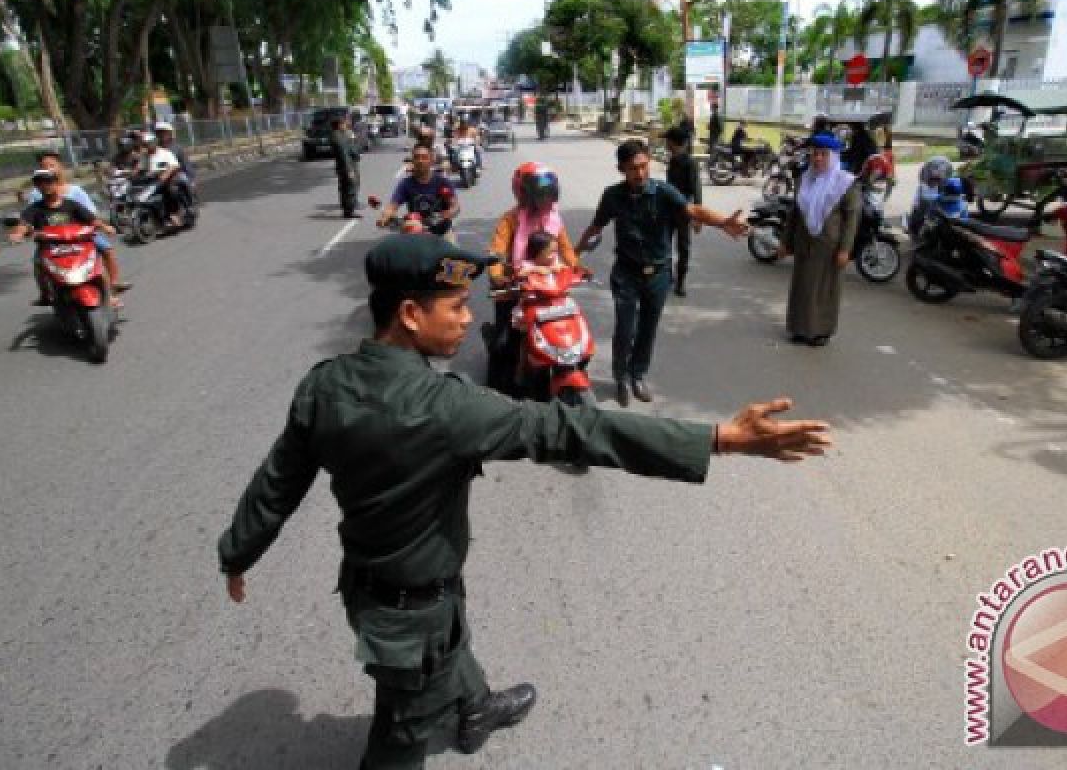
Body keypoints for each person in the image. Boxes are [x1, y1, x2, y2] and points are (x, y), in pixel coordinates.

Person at [215, 233, 833, 770]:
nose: (466, 319)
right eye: (455, 306)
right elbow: (577, 430)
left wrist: (237, 553)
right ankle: (438, 717)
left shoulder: (323, 385)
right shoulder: (447, 409)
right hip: (408, 612)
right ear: (408, 313)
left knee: (448, 641)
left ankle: (474, 706)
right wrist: (721, 438)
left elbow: (279, 479)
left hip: (380, 589)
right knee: (399, 735)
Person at [576, 139, 749, 407]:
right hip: (626, 273)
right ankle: (621, 377)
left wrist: (723, 222)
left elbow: (693, 210)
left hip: (658, 275)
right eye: (633, 168)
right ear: (622, 168)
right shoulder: (612, 196)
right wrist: (573, 256)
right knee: (625, 330)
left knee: (647, 329)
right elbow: (595, 228)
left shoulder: (664, 193)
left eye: (644, 166)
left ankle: (638, 375)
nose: (641, 173)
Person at [484, 162, 581, 394]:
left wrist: (578, 268)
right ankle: (496, 390)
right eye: (540, 194)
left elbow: (566, 249)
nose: (545, 200)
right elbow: (496, 252)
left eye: (549, 194)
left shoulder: (555, 219)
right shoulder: (510, 219)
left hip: (548, 286)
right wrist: (498, 275)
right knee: (505, 343)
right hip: (515, 287)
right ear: (523, 193)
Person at [779, 133, 861, 347]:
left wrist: (845, 249)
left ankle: (820, 331)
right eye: (814, 154)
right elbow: (794, 215)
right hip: (804, 242)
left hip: (829, 247)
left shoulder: (846, 183)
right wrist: (785, 242)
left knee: (825, 289)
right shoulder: (804, 180)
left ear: (833, 157)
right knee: (801, 287)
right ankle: (798, 327)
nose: (817, 159)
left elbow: (851, 219)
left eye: (823, 154)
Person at [8, 168, 126, 307]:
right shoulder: (34, 209)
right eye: (40, 182)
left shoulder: (71, 204)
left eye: (48, 181)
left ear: (56, 183)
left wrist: (105, 227)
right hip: (50, 248)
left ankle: (109, 296)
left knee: (97, 266)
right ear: (37, 186)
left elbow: (92, 220)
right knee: (38, 263)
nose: (45, 185)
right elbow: (24, 224)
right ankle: (45, 294)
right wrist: (18, 234)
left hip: (80, 244)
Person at [377, 143, 459, 239]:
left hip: (442, 232)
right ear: (413, 161)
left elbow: (455, 206)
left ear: (431, 161)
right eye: (417, 157)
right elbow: (393, 205)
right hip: (415, 232)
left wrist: (446, 214)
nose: (420, 161)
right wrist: (386, 215)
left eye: (424, 157)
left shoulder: (443, 181)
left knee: (452, 253)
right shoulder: (406, 183)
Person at [664, 126, 702, 297]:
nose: (665, 143)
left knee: (683, 248)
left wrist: (698, 216)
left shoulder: (690, 163)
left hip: (684, 210)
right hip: (668, 209)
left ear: (673, 142)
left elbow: (697, 190)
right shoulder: (672, 160)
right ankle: (668, 277)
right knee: (664, 245)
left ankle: (680, 282)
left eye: (667, 140)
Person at [136, 132, 187, 227]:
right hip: (152, 181)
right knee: (140, 193)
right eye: (145, 144)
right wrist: (134, 173)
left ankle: (174, 213)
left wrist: (165, 174)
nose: (147, 146)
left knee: (170, 190)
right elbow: (139, 168)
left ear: (154, 142)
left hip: (168, 179)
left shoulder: (165, 153)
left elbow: (175, 165)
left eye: (148, 143)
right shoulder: (145, 156)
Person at [154, 122, 196, 209]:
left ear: (169, 133)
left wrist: (191, 180)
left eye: (164, 132)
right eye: (159, 133)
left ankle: (190, 204)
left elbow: (186, 164)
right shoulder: (155, 148)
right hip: (160, 176)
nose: (162, 135)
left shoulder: (177, 147)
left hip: (177, 174)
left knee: (184, 181)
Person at [330, 117, 362, 219]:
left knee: (346, 188)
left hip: (346, 166)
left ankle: (348, 210)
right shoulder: (338, 137)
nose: (346, 125)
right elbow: (344, 155)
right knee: (350, 188)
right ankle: (349, 211)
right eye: (343, 123)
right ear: (339, 125)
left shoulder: (340, 135)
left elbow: (351, 149)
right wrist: (349, 170)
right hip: (347, 167)